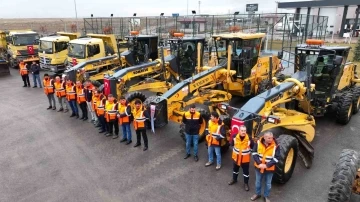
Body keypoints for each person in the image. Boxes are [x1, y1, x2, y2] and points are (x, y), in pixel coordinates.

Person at [250, 132, 280, 202]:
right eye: (269, 138)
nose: (271, 139)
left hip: (269, 169)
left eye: (272, 138)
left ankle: (266, 196)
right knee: (258, 182)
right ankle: (257, 194)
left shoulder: (276, 145)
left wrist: (267, 165)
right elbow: (254, 152)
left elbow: (277, 157)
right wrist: (259, 163)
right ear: (264, 137)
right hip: (259, 167)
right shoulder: (258, 142)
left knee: (268, 184)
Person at [228, 125, 254, 191]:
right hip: (236, 158)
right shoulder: (234, 137)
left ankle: (246, 183)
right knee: (235, 170)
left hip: (245, 160)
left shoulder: (250, 139)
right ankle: (234, 179)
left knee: (246, 173)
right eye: (242, 130)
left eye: (244, 131)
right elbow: (232, 144)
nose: (243, 132)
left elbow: (253, 147)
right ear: (239, 131)